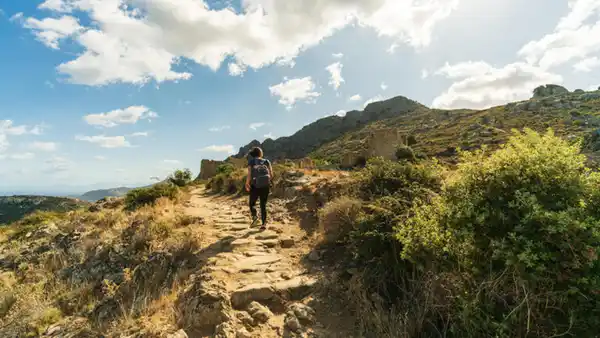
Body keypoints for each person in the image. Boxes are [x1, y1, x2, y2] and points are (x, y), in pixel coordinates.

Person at [245, 147, 273, 230]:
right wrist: (267, 182)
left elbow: (249, 174)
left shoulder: (251, 162)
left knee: (252, 203)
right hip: (265, 185)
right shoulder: (267, 161)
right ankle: (263, 224)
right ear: (260, 153)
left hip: (255, 185)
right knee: (263, 204)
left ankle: (255, 217)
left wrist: (247, 183)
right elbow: (271, 174)